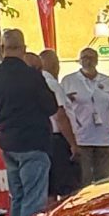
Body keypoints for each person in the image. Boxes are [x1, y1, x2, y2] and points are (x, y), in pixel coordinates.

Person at [0, 30, 66, 216]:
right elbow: (51, 106)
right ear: (23, 49)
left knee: (18, 197)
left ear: (2, 49)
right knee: (33, 199)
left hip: (7, 143)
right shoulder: (31, 76)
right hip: (32, 142)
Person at [58, 46, 109, 183]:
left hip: (105, 141)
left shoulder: (107, 81)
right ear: (79, 61)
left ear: (97, 61)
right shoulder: (68, 81)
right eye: (84, 58)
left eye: (91, 58)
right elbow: (61, 109)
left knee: (106, 183)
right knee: (83, 183)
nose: (88, 61)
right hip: (81, 140)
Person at [35, 48, 83, 199]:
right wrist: (73, 144)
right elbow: (60, 115)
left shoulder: (36, 83)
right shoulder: (52, 84)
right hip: (58, 141)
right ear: (54, 65)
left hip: (42, 138)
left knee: (49, 189)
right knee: (67, 189)